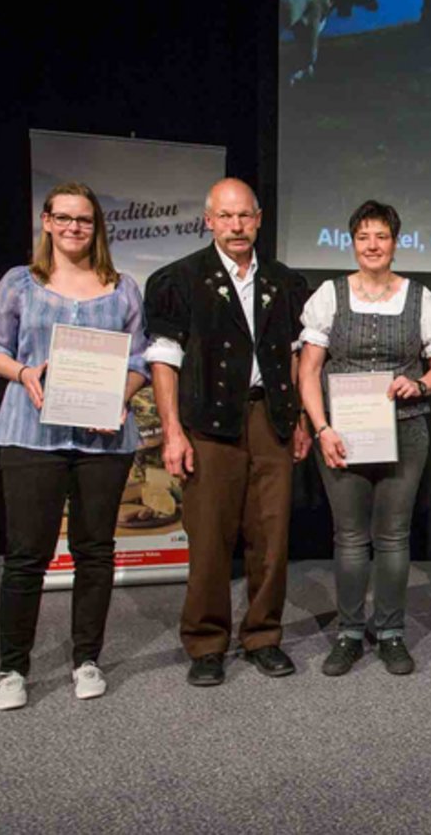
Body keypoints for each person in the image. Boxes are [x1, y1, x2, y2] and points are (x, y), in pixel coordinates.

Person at [0, 182, 149, 710]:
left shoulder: (122, 288)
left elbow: (139, 362)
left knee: (94, 552)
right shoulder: (19, 284)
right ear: (47, 222)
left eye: (86, 220)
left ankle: (86, 659)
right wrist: (25, 372)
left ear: (97, 228)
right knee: (27, 555)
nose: (75, 227)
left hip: (104, 440)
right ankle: (12, 669)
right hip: (31, 435)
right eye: (65, 218)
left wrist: (118, 399)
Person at [144, 177, 311, 687]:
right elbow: (165, 359)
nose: (236, 226)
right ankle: (206, 642)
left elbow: (297, 356)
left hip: (271, 419)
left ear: (258, 220)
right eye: (226, 216)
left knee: (271, 535)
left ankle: (263, 635)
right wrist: (172, 430)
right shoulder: (178, 280)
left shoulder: (286, 282)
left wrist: (300, 418)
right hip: (209, 423)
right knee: (211, 537)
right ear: (209, 220)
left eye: (245, 216)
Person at [298, 201, 431, 677]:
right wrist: (321, 429)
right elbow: (308, 371)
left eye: (381, 236)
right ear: (352, 242)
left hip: (404, 432)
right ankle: (348, 632)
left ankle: (389, 632)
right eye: (363, 236)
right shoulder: (328, 295)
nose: (372, 245)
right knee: (348, 537)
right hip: (340, 433)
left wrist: (421, 384)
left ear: (395, 242)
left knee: (392, 537)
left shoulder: (421, 298)